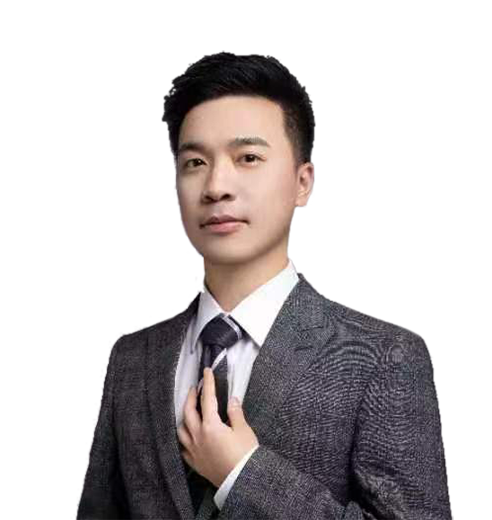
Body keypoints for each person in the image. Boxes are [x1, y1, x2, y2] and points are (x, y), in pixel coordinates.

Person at [76, 52, 452, 520]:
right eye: (195, 162)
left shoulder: (382, 356)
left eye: (248, 158)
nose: (216, 186)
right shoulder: (133, 358)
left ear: (302, 183)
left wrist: (243, 475)